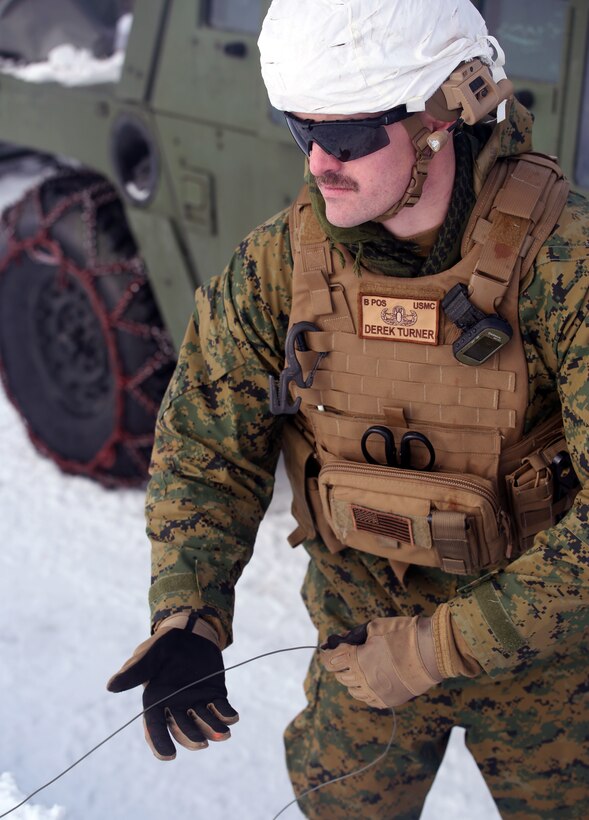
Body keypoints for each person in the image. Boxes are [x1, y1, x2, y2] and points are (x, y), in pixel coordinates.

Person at [108, 1, 589, 817]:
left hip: (547, 670)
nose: (321, 162)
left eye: (354, 136)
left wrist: (440, 647)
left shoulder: (561, 264)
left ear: (442, 120)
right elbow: (204, 438)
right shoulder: (281, 262)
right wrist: (189, 610)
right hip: (360, 650)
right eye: (302, 131)